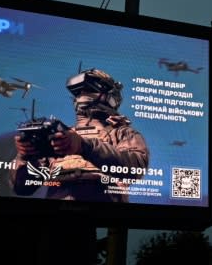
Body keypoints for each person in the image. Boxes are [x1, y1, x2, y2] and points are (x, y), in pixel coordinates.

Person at [10, 67, 150, 202]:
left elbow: (135, 167)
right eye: (79, 92)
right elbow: (22, 187)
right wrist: (25, 156)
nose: (82, 95)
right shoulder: (58, 136)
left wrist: (84, 146)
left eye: (88, 90)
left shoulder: (122, 132)